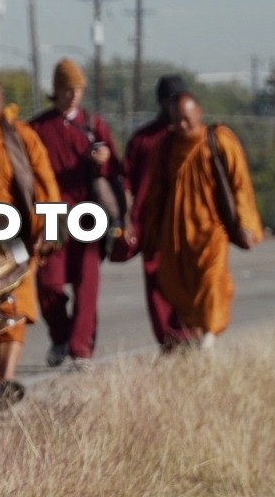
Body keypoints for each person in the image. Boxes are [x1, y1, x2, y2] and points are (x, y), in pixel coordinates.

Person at [0, 75, 61, 409]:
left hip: (16, 234)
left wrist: (48, 227)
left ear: (1, 103)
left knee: (16, 308)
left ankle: (5, 381)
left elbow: (44, 181)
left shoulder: (21, 136)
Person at [142, 92, 262, 349]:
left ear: (199, 113)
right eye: (177, 121)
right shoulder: (166, 147)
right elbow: (156, 192)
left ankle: (208, 337)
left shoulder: (218, 141)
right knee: (176, 284)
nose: (183, 126)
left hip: (212, 230)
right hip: (176, 232)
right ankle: (197, 333)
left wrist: (245, 224)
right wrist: (150, 231)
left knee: (212, 282)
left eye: (187, 119)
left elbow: (239, 183)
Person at [29, 58, 124, 370]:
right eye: (66, 89)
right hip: (51, 213)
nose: (72, 95)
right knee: (49, 284)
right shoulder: (37, 128)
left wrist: (104, 158)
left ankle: (81, 350)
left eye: (78, 89)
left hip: (87, 212)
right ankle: (60, 335)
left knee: (87, 284)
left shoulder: (94, 126)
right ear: (55, 91)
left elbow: (113, 172)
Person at [124, 75, 193, 351]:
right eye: (173, 100)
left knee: (188, 280)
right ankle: (170, 341)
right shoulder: (143, 140)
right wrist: (127, 219)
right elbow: (125, 182)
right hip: (152, 223)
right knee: (157, 283)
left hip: (187, 223)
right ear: (163, 103)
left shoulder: (193, 137)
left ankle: (188, 333)